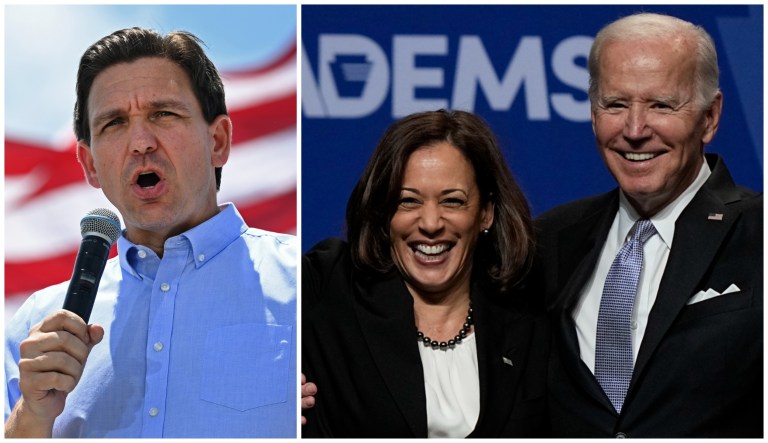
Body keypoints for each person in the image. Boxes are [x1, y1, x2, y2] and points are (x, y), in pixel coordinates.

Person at [4, 27, 297, 438]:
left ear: (218, 140)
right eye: (114, 123)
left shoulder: (308, 284)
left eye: (163, 113)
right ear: (90, 165)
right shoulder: (36, 324)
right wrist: (32, 416)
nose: (141, 142)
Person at [528, 12, 762, 437]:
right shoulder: (549, 238)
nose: (635, 130)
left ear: (709, 117)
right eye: (615, 104)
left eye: (661, 104)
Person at [301, 109, 549, 438]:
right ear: (382, 212)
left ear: (486, 213)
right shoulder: (327, 286)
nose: (431, 223)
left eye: (452, 201)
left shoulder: (531, 318)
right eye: (408, 201)